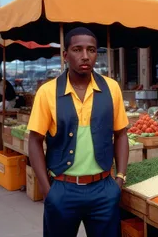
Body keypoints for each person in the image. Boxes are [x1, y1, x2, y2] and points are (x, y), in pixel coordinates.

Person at [28, 27, 129, 237]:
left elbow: (121, 133)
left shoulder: (111, 88)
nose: (85, 56)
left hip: (103, 189)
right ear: (65, 56)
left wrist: (119, 179)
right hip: (63, 190)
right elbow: (35, 140)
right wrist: (47, 191)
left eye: (91, 50)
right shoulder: (47, 92)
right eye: (77, 49)